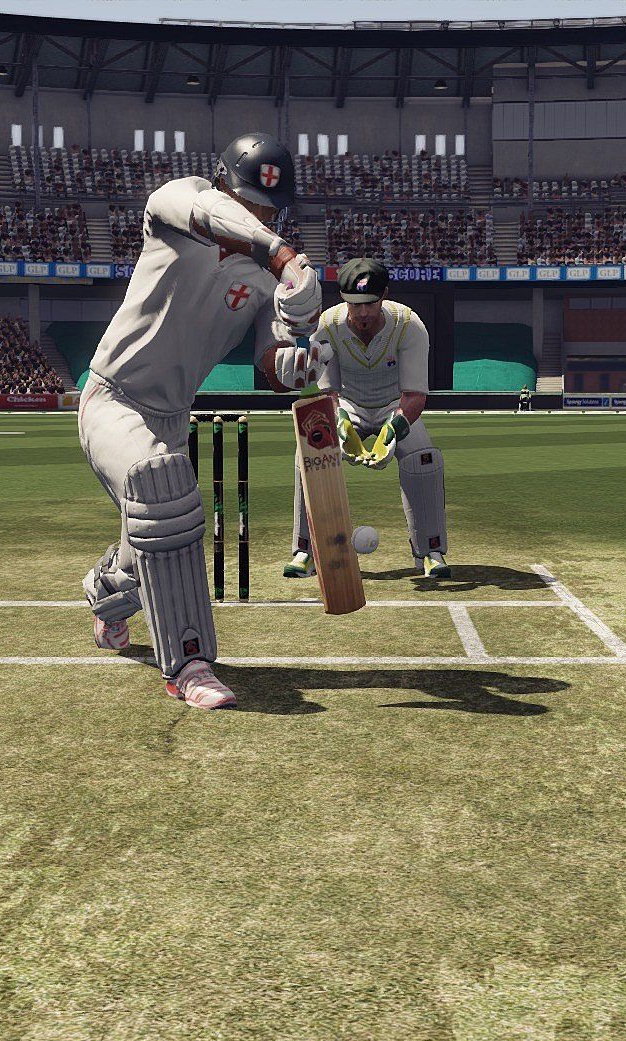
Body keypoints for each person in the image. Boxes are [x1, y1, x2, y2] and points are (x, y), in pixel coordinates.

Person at [79, 133, 321, 710]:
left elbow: (271, 366)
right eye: (250, 203)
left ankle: (105, 592)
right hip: (112, 398)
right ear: (221, 184)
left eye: (270, 210)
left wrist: (296, 362)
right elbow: (211, 214)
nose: (260, 216)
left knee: (155, 543)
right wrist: (282, 254)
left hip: (171, 418)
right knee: (167, 494)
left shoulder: (267, 280)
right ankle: (189, 663)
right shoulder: (178, 205)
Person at [272, 257, 449, 581]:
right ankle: (306, 550)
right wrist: (340, 424)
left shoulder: (408, 325)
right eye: (355, 304)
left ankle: (430, 550)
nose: (363, 312)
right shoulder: (327, 326)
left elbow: (414, 396)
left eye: (370, 303)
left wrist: (391, 431)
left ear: (384, 296)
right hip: (347, 405)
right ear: (343, 298)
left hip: (395, 406)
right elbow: (329, 392)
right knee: (309, 452)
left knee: (423, 458)